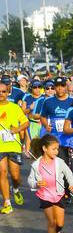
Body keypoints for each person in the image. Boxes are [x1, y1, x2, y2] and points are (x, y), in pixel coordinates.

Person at [28, 134, 73, 233]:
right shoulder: (36, 164)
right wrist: (36, 183)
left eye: (57, 149)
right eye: (54, 149)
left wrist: (72, 184)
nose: (56, 151)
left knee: (59, 223)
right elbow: (30, 180)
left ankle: (58, 232)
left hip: (59, 194)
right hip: (44, 195)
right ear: (45, 148)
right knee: (52, 222)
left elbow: (69, 173)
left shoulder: (59, 162)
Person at [0, 80, 29, 214]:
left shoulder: (14, 107)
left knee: (16, 176)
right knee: (2, 173)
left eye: (4, 91)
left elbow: (26, 123)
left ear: (8, 92)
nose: (1, 94)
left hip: (13, 145)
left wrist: (17, 129)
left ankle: (16, 189)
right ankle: (7, 202)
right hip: (0, 147)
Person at [39, 76, 73, 162]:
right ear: (54, 88)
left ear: (66, 87)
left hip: (72, 140)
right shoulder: (48, 101)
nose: (60, 89)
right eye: (57, 86)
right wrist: (46, 125)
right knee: (61, 166)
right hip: (57, 140)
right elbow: (42, 117)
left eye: (62, 86)